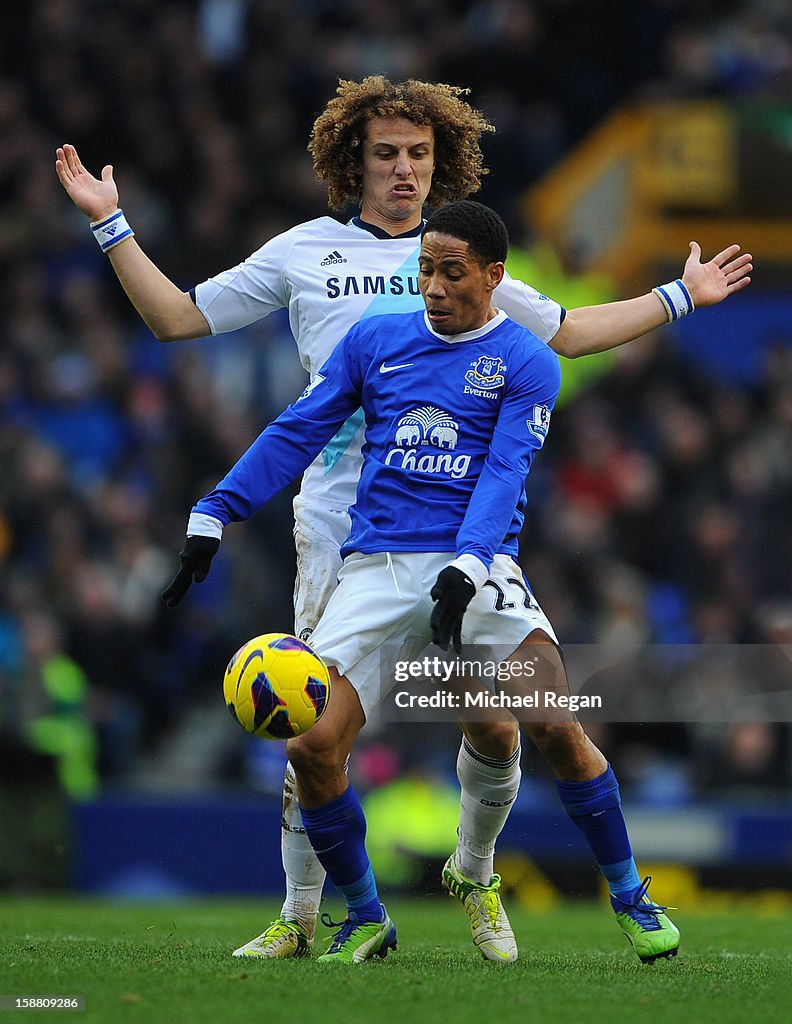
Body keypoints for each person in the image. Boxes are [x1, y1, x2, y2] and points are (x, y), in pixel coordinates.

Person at [55, 76, 752, 962]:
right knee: (304, 719)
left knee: (494, 723)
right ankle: (305, 915)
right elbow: (177, 317)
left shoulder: (461, 254)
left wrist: (680, 296)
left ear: (440, 163)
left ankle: (475, 871)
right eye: (386, 154)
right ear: (355, 162)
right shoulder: (306, 251)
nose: (403, 171)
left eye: (418, 155)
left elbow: (568, 332)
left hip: (458, 518)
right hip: (338, 525)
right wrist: (111, 224)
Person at [162, 201, 681, 964]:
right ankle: (368, 915)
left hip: (479, 566)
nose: (432, 286)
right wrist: (216, 508)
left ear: (495, 277)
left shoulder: (526, 360)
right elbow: (299, 427)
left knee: (554, 728)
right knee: (312, 745)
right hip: (375, 567)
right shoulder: (377, 341)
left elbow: (505, 472)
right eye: (425, 269)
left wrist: (468, 566)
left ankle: (629, 896)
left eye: (451, 272)